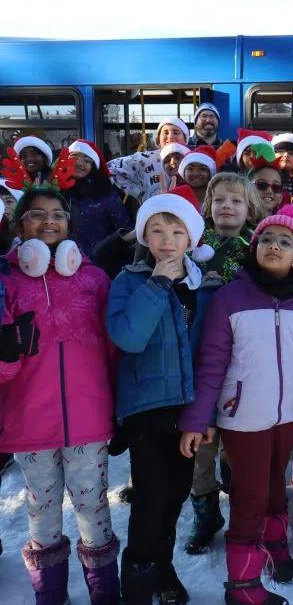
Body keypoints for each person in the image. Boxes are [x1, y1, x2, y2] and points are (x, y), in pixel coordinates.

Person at [178, 205, 293, 604]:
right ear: (254, 250)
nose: (274, 246)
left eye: (285, 242)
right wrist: (197, 419)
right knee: (250, 496)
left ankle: (274, 545)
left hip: (289, 415)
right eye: (267, 239)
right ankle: (243, 586)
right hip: (242, 415)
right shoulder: (230, 298)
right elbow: (212, 362)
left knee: (274, 485)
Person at [1, 186, 121, 604]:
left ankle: (105, 593)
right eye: (37, 214)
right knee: (42, 514)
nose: (49, 221)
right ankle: (49, 594)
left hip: (89, 420)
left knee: (93, 510)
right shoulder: (6, 283)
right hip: (29, 422)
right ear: (19, 225)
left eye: (58, 214)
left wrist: (118, 408)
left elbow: (112, 351)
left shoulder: (94, 279)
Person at [106, 185, 221, 603]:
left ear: (192, 238)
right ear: (144, 237)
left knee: (174, 498)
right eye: (157, 230)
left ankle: (163, 568)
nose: (167, 241)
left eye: (177, 231)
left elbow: (212, 354)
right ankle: (136, 583)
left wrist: (205, 415)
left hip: (188, 411)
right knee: (150, 501)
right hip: (146, 411)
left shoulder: (205, 287)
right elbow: (128, 337)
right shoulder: (129, 280)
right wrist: (156, 285)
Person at [182, 172, 267, 554]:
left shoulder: (259, 250)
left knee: (237, 446)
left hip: (243, 365)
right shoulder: (193, 248)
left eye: (235, 199)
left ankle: (242, 514)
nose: (226, 206)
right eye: (218, 200)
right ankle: (205, 514)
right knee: (202, 446)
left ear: (249, 207)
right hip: (201, 363)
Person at [63, 139, 131, 259]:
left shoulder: (106, 193)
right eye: (74, 157)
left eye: (87, 160)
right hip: (60, 260)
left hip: (97, 263)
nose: (79, 163)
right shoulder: (54, 190)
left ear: (93, 166)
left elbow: (123, 229)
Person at [108, 118, 190, 203]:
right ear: (158, 140)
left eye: (176, 133)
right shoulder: (145, 158)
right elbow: (111, 168)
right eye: (165, 133)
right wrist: (137, 192)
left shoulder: (194, 160)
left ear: (185, 139)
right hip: (151, 213)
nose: (170, 136)